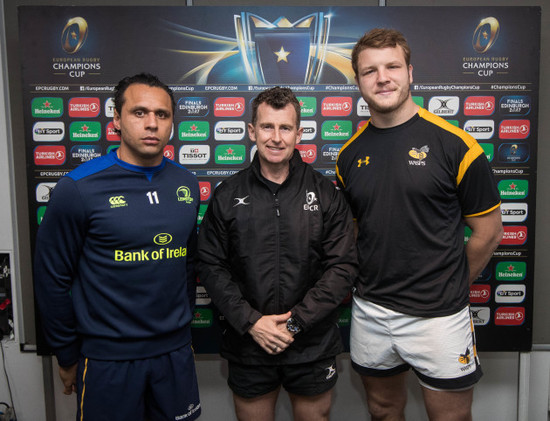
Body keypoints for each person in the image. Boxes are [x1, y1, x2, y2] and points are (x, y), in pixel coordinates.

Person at [336, 29, 503, 421]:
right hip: (371, 311)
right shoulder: (348, 155)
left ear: (410, 72)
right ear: (358, 81)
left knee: (450, 418)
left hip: (440, 317)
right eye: (369, 71)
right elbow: (358, 232)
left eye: (392, 66)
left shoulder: (457, 145)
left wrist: (451, 287)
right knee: (382, 409)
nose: (382, 78)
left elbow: (489, 231)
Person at [34, 73, 201, 421]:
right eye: (139, 113)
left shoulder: (185, 182)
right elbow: (52, 279)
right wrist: (66, 354)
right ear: (116, 119)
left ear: (172, 122)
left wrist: (180, 329)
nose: (152, 124)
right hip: (107, 359)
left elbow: (187, 263)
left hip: (174, 355)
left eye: (162, 114)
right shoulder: (78, 188)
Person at [197, 87, 357, 421]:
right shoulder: (228, 195)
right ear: (252, 131)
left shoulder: (326, 193)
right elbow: (211, 266)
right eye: (267, 127)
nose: (276, 138)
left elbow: (342, 267)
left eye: (285, 128)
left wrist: (296, 323)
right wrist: (252, 322)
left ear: (299, 133)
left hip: (311, 344)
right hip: (249, 344)